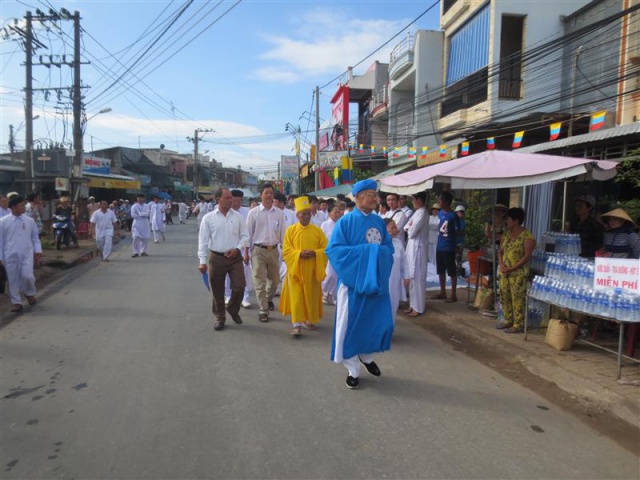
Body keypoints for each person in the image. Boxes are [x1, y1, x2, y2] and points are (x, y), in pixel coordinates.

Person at [326, 179, 394, 390]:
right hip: (353, 284)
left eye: (376, 195)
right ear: (357, 198)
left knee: (373, 323)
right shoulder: (346, 222)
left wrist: (376, 254)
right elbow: (335, 251)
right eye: (371, 195)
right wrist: (368, 252)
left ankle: (366, 356)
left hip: (375, 284)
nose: (376, 199)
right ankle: (352, 369)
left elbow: (388, 250)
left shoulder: (379, 222)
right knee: (350, 326)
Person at [198, 188, 249, 331]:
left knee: (240, 286)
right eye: (227, 198)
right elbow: (203, 241)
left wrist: (237, 249)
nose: (231, 200)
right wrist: (202, 261)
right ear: (218, 199)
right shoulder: (208, 218)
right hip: (216, 258)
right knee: (217, 290)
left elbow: (245, 236)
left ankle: (233, 308)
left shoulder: (238, 217)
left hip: (235, 257)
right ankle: (220, 317)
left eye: (231, 197)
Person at [279, 196, 328, 336]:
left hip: (312, 269)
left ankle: (309, 319)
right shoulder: (291, 230)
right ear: (297, 215)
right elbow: (286, 250)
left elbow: (325, 249)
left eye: (308, 214)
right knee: (297, 298)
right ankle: (296, 324)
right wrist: (299, 254)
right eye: (303, 214)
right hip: (296, 270)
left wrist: (315, 253)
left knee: (310, 296)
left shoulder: (317, 231)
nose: (306, 216)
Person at [245, 183, 285, 323]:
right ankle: (263, 310)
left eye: (271, 193)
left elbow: (283, 234)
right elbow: (248, 234)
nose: (269, 195)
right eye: (266, 193)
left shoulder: (279, 213)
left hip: (274, 250)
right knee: (259, 282)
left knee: (275, 281)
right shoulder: (253, 213)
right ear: (261, 195)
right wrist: (246, 253)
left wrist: (285, 252)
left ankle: (268, 299)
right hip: (258, 251)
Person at [0, 196, 42, 312]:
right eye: (21, 205)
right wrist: (0, 257)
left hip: (26, 254)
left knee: (28, 276)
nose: (24, 207)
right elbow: (0, 241)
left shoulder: (29, 221)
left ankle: (29, 293)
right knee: (12, 279)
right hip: (10, 255)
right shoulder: (3, 222)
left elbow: (35, 238)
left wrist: (38, 250)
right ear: (14, 207)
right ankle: (16, 302)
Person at [498, 207, 536, 333]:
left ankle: (518, 324)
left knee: (518, 298)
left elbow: (527, 256)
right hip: (505, 271)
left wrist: (512, 268)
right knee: (504, 295)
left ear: (516, 221)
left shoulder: (527, 236)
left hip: (518, 273)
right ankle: (508, 319)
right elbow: (500, 251)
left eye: (508, 219)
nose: (506, 221)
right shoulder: (506, 234)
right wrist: (501, 264)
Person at [224, 190, 253, 308]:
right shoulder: (225, 212)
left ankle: (245, 297)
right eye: (234, 200)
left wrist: (246, 251)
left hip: (243, 248)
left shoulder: (247, 212)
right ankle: (228, 295)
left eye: (239, 200)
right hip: (228, 247)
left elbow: (247, 233)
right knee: (228, 273)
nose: (237, 203)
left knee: (244, 273)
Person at [404, 192, 428, 317]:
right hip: (412, 246)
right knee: (411, 277)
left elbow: (412, 231)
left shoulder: (423, 213)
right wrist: (410, 228)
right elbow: (406, 227)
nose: (412, 202)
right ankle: (412, 304)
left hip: (418, 248)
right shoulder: (417, 212)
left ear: (419, 200)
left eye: (414, 199)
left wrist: (410, 228)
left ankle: (418, 307)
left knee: (418, 278)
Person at [432, 191, 458, 303]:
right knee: (440, 270)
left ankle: (453, 294)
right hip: (440, 245)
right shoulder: (440, 213)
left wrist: (455, 243)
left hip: (449, 246)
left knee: (451, 271)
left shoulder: (453, 215)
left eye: (441, 200)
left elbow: (458, 230)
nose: (439, 202)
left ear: (447, 201)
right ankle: (443, 291)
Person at [385, 218, 410, 322]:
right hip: (383, 280)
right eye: (392, 228)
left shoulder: (398, 243)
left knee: (393, 303)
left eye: (395, 227)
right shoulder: (379, 244)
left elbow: (404, 261)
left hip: (395, 279)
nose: (395, 230)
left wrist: (406, 276)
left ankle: (391, 326)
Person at [321, 205, 342, 305]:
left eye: (338, 212)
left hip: (338, 252)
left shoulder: (341, 224)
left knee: (335, 275)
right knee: (328, 275)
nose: (337, 214)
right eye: (335, 212)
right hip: (327, 252)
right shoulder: (325, 224)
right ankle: (324, 292)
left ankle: (333, 295)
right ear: (329, 213)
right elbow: (321, 238)